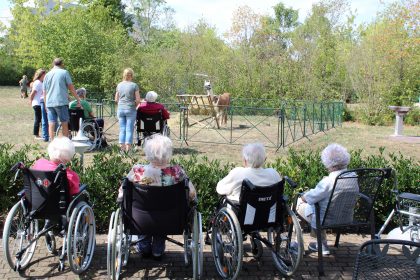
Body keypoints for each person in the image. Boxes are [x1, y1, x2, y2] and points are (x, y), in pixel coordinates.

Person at [118, 134, 196, 260]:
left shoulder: (138, 171)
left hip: (140, 219)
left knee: (145, 214)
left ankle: (143, 247)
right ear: (168, 152)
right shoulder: (177, 172)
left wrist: (120, 199)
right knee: (163, 214)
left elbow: (123, 192)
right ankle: (158, 251)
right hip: (171, 220)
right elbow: (191, 194)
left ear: (148, 152)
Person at [296, 143, 355, 255]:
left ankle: (298, 243)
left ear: (331, 164)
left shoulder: (328, 181)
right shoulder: (353, 176)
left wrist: (302, 196)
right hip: (346, 217)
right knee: (320, 207)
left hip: (325, 219)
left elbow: (308, 198)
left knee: (298, 203)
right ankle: (321, 244)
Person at [216, 143, 282, 203]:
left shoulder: (238, 173)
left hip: (241, 215)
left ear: (245, 160)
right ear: (264, 159)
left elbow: (220, 189)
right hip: (269, 214)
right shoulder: (273, 173)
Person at [43, 58, 81, 141]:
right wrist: (78, 99)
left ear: (53, 64)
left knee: (51, 123)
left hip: (49, 103)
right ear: (62, 64)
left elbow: (44, 92)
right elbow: (71, 87)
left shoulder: (47, 75)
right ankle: (65, 143)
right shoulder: (64, 72)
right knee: (64, 123)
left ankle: (52, 143)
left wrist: (46, 104)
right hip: (61, 102)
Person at [115, 68, 141, 152]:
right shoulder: (134, 85)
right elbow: (138, 100)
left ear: (124, 75)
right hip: (130, 109)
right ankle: (128, 149)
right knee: (129, 129)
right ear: (132, 75)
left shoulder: (119, 85)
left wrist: (121, 104)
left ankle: (121, 149)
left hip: (121, 109)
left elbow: (116, 99)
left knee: (122, 129)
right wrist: (135, 105)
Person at [29, 69, 46, 140]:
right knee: (38, 119)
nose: (45, 75)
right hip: (37, 103)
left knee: (40, 119)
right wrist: (30, 100)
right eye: (44, 74)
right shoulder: (38, 82)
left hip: (40, 103)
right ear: (41, 75)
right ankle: (36, 134)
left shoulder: (40, 82)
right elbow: (33, 93)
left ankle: (42, 133)